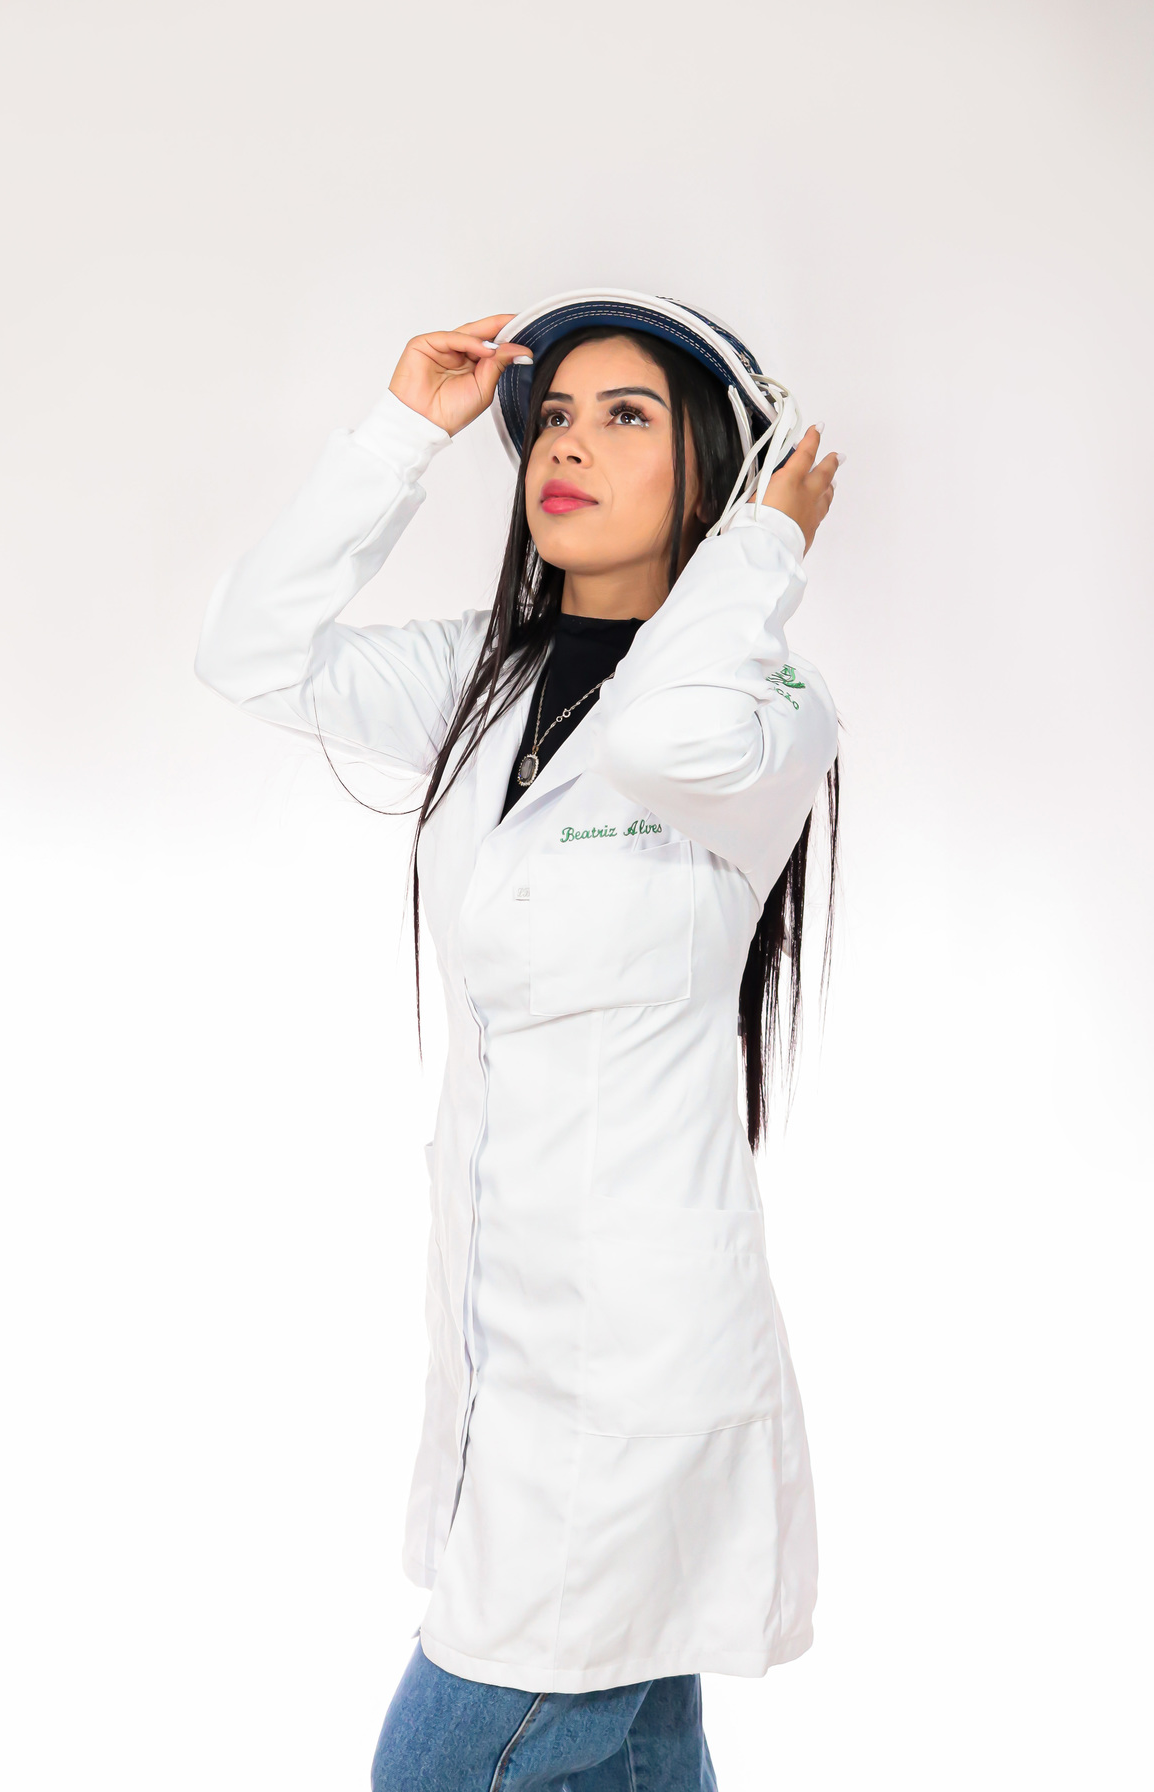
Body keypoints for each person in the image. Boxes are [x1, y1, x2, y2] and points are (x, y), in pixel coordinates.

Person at [194, 290, 844, 1789]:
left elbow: (663, 736)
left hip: (638, 1368)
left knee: (443, 1761)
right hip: (505, 1347)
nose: (566, 444)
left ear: (722, 470)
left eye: (627, 417)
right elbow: (250, 651)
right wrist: (398, 434)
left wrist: (762, 551)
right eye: (554, 415)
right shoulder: (482, 683)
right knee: (635, 1751)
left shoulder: (772, 707)